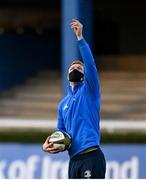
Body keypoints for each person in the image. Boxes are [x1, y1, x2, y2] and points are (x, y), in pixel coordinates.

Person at [42, 19, 106, 179]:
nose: (75, 68)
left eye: (79, 68)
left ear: (85, 76)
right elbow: (60, 132)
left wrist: (80, 38)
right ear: (67, 75)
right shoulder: (62, 104)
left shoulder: (90, 91)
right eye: (72, 67)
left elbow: (90, 64)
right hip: (73, 161)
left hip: (91, 156)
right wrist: (48, 143)